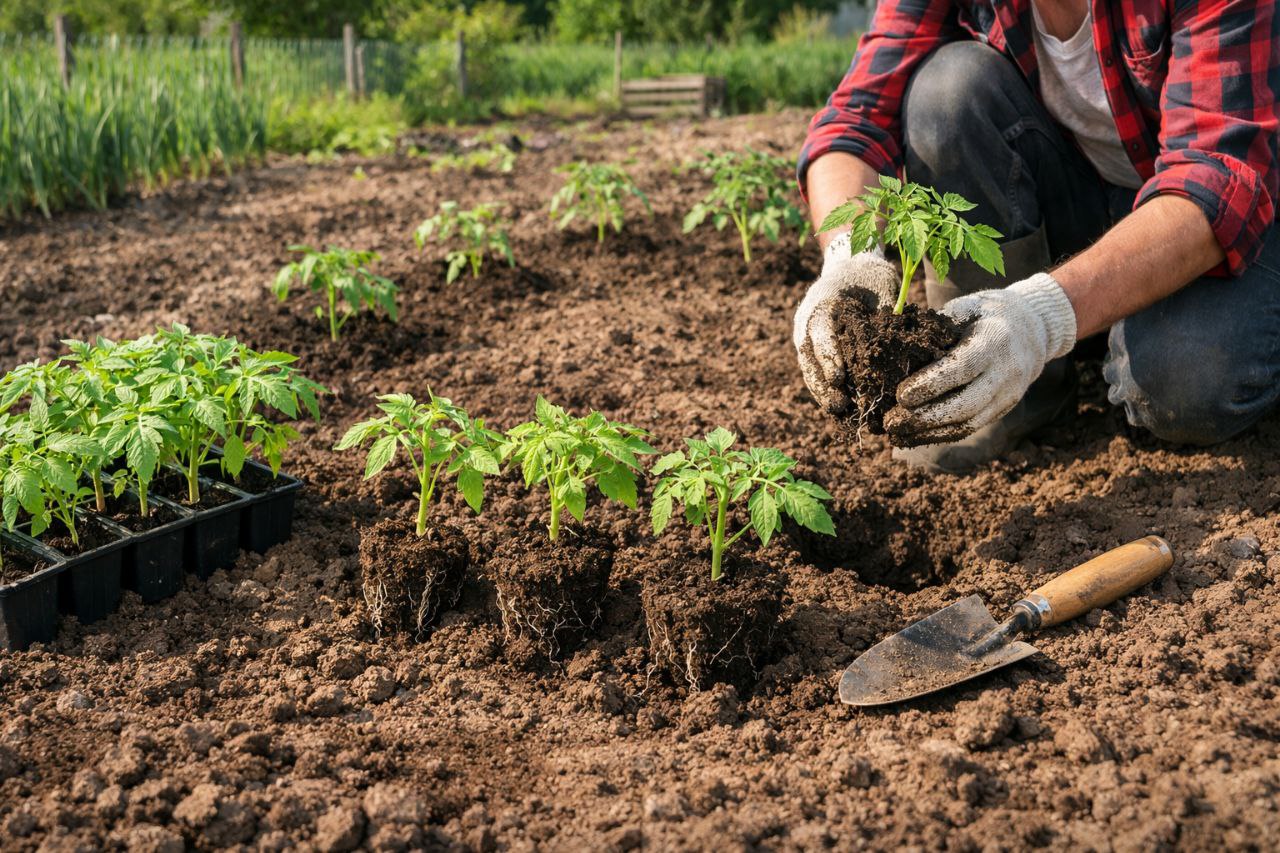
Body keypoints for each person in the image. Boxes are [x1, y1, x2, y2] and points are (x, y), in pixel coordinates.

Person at [793, 0, 1280, 474]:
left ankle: (1097, 337)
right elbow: (855, 118)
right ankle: (999, 385)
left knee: (1182, 383)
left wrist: (1041, 317)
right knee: (947, 90)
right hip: (1091, 189)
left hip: (1238, 217)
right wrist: (847, 258)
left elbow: (1215, 181)